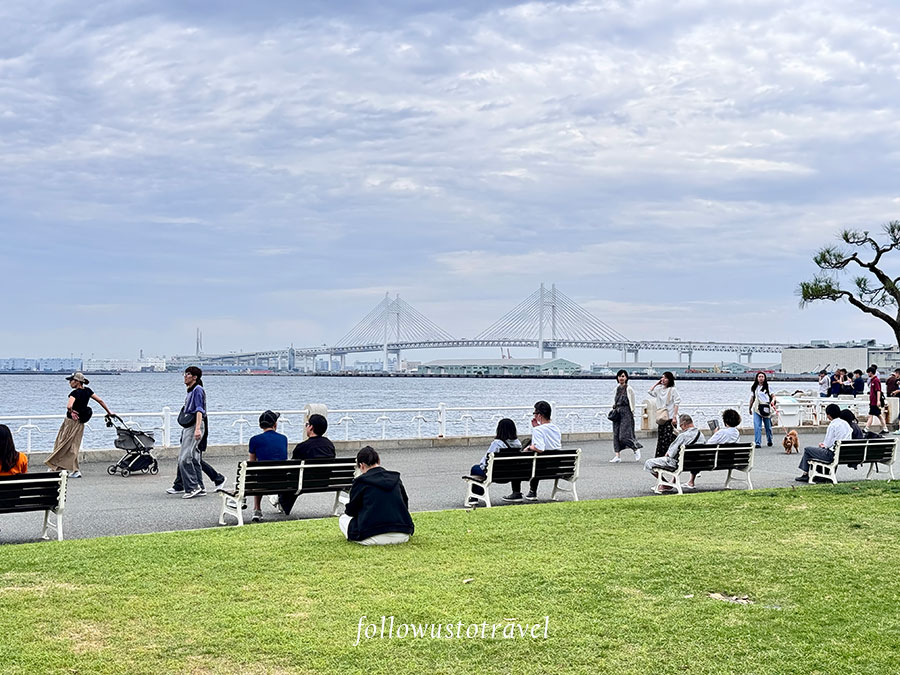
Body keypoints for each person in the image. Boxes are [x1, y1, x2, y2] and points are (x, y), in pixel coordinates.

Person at [339, 446, 414, 546]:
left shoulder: (361, 482)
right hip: (402, 533)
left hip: (372, 535)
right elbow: (404, 503)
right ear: (378, 460)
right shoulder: (395, 479)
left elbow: (351, 511)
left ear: (361, 466)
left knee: (343, 519)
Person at [45, 372, 113, 478]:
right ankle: (68, 469)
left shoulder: (74, 393)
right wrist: (109, 412)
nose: (69, 383)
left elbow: (69, 406)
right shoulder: (88, 391)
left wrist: (72, 411)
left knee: (62, 443)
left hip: (70, 422)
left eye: (71, 380)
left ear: (77, 382)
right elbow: (100, 400)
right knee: (73, 445)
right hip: (80, 423)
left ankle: (56, 467)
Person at [271, 413, 336, 515]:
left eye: (307, 424)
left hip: (305, 482)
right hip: (324, 481)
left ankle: (280, 500)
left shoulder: (302, 447)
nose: (306, 427)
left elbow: (293, 468)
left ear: (311, 427)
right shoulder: (329, 445)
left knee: (293, 480)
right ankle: (282, 501)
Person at [502, 400, 561, 502]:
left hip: (540, 467)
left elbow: (540, 448)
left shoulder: (538, 430)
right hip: (554, 467)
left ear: (539, 415)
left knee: (518, 462)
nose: (534, 416)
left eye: (534, 413)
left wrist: (528, 448)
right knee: (537, 462)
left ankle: (516, 493)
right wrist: (537, 428)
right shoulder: (556, 429)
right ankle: (532, 492)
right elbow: (550, 444)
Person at [177, 366, 215, 499]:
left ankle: (193, 487)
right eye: (185, 373)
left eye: (188, 374)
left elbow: (199, 410)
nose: (185, 376)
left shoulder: (198, 390)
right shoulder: (190, 391)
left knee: (184, 458)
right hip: (190, 426)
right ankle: (200, 487)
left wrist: (198, 428)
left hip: (194, 426)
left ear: (195, 377)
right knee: (193, 458)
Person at [643, 414, 704, 493]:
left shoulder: (683, 436)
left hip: (679, 464)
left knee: (649, 463)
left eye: (681, 425)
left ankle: (665, 484)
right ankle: (690, 481)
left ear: (684, 424)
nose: (681, 428)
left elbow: (670, 454)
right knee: (682, 457)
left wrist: (666, 454)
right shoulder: (701, 435)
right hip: (697, 463)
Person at [468, 418, 522, 505]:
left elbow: (487, 459)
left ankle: (475, 496)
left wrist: (482, 466)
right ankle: (516, 492)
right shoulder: (518, 443)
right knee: (513, 466)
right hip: (512, 474)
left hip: (495, 474)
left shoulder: (497, 443)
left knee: (475, 468)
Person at [247, 410, 288, 522]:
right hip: (282, 481)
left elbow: (252, 464)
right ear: (275, 424)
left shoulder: (254, 440)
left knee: (257, 474)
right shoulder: (283, 438)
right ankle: (279, 500)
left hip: (262, 481)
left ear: (261, 425)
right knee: (263, 474)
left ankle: (257, 509)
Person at [684, 409, 741, 489]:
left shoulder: (721, 432)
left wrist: (715, 433)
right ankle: (691, 482)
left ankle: (691, 481)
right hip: (729, 460)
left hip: (714, 461)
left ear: (725, 421)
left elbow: (708, 444)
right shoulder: (737, 433)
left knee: (696, 455)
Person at [796, 403, 852, 482]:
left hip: (833, 454)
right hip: (845, 453)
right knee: (820, 451)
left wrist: (822, 445)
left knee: (808, 450)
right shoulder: (846, 424)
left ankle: (806, 474)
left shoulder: (833, 425)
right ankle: (822, 474)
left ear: (829, 415)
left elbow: (827, 444)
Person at [609, 369, 642, 463]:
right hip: (617, 412)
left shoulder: (629, 389)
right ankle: (617, 455)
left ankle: (635, 448)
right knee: (616, 434)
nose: (621, 378)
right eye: (619, 376)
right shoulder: (617, 388)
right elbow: (614, 400)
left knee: (624, 435)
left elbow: (632, 402)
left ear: (626, 377)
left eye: (623, 376)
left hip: (626, 412)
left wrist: (632, 413)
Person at [649, 372, 681, 458]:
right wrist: (657, 383)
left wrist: (675, 416)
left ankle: (670, 457)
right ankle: (660, 457)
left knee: (670, 439)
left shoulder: (673, 390)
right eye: (662, 377)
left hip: (670, 418)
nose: (663, 379)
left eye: (665, 378)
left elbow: (677, 403)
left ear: (670, 380)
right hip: (662, 419)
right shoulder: (659, 390)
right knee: (661, 439)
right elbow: (650, 391)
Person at [749, 372, 776, 449]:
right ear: (757, 378)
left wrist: (773, 401)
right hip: (757, 408)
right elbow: (752, 398)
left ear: (765, 378)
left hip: (766, 408)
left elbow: (773, 396)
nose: (761, 378)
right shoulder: (754, 387)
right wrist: (750, 408)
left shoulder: (768, 387)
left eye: (762, 376)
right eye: (759, 376)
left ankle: (769, 440)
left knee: (768, 426)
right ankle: (757, 443)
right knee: (757, 426)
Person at [864, 365, 885, 432]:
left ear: (871, 372)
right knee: (878, 415)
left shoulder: (875, 380)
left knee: (871, 415)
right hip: (873, 401)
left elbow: (878, 391)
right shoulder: (873, 380)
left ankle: (866, 428)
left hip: (874, 401)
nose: (868, 374)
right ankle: (885, 428)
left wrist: (878, 400)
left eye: (868, 373)